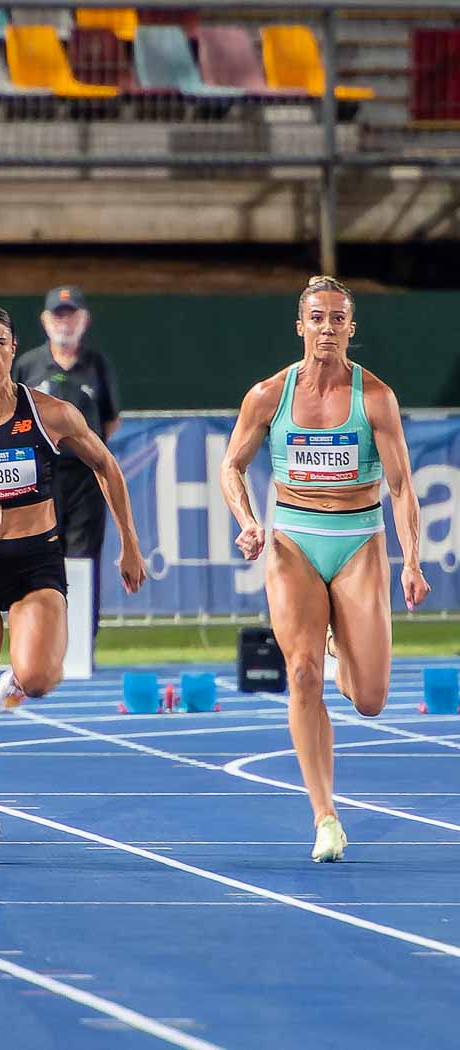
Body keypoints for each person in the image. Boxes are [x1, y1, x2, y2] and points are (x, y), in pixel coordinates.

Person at [0, 302, 146, 866]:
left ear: (14, 350)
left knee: (40, 678)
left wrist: (130, 544)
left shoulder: (49, 414)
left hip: (36, 561)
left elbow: (107, 466)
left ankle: (18, 676)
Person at [220, 275, 428, 864]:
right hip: (293, 539)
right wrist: (248, 520)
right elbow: (231, 468)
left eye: (338, 318)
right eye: (317, 317)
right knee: (301, 672)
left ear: (351, 329)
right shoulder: (267, 395)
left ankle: (341, 645)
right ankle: (325, 816)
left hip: (359, 539)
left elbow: (402, 487)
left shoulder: (375, 397)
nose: (327, 328)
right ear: (300, 325)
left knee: (369, 700)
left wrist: (411, 558)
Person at [11, 285, 121, 641]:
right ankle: (37, 642)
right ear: (45, 321)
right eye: (58, 315)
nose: (65, 322)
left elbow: (110, 420)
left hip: (86, 476)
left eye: (71, 314)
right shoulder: (28, 365)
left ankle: (79, 642)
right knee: (39, 556)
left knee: (82, 558)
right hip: (41, 476)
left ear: (84, 320)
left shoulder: (98, 365)